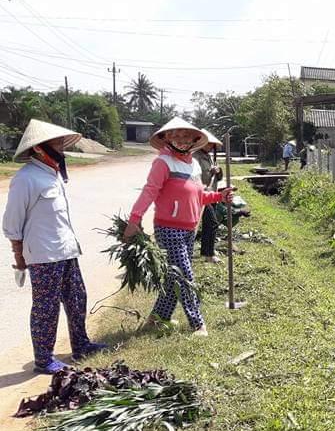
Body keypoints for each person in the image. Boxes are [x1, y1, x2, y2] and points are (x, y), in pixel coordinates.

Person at [2, 119, 108, 373]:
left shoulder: (53, 174)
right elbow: (12, 222)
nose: (61, 148)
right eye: (56, 143)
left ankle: (81, 345)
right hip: (43, 255)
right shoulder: (26, 179)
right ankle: (43, 358)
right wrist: (18, 255)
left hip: (66, 250)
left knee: (77, 299)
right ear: (39, 148)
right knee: (45, 308)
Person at [123, 117, 234, 337]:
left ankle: (157, 318)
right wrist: (134, 220)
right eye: (175, 135)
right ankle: (197, 324)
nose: (181, 140)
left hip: (189, 229)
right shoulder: (163, 162)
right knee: (184, 275)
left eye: (186, 136)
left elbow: (198, 196)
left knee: (173, 275)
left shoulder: (192, 164)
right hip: (169, 228)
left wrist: (219, 196)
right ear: (166, 138)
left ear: (194, 139)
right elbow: (149, 191)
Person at [193, 128, 223, 264]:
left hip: (212, 194)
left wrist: (218, 171)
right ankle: (208, 255)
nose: (210, 146)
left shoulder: (210, 157)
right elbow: (194, 177)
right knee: (212, 223)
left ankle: (207, 252)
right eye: (208, 143)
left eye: (212, 144)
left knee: (208, 224)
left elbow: (219, 178)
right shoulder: (195, 157)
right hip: (202, 196)